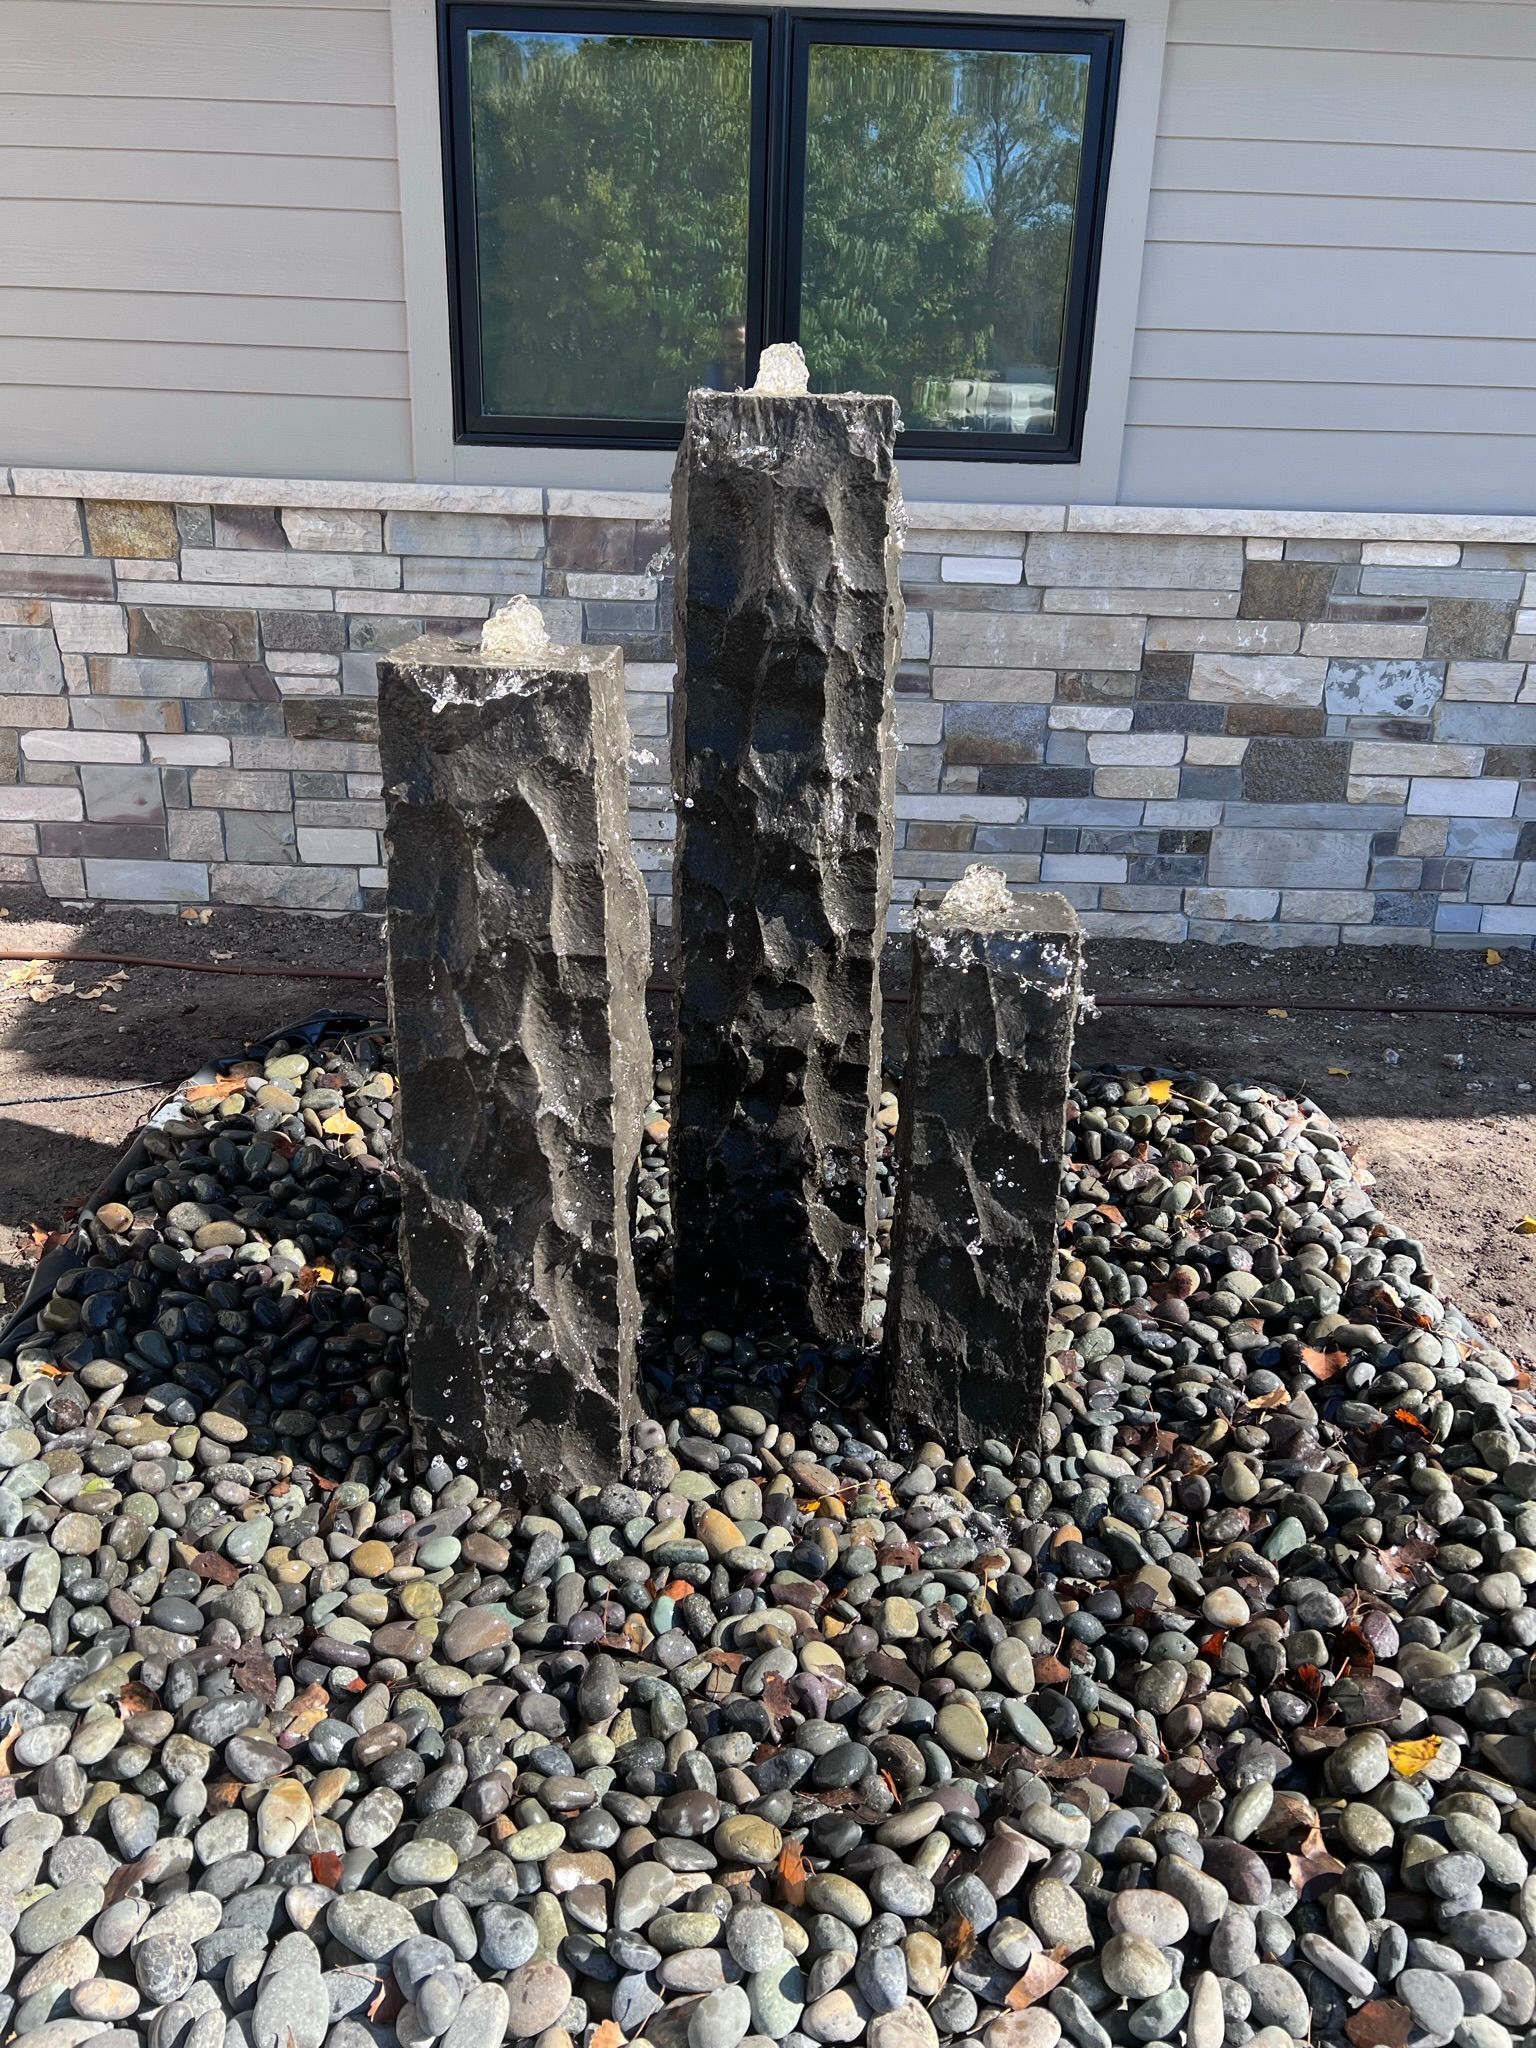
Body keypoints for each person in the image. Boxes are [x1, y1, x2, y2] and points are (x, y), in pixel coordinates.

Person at [706, 315, 748, 391]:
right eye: (729, 346)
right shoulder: (714, 371)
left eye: (739, 346)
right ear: (722, 346)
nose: (734, 352)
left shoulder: (754, 376)